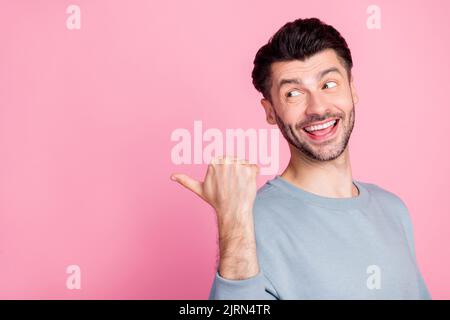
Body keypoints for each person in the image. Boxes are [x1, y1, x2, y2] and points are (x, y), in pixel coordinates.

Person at [170, 17, 431, 299]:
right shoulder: (249, 223)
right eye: (293, 93)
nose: (317, 108)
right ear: (270, 111)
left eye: (329, 84)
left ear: (352, 89)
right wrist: (234, 221)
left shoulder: (393, 210)